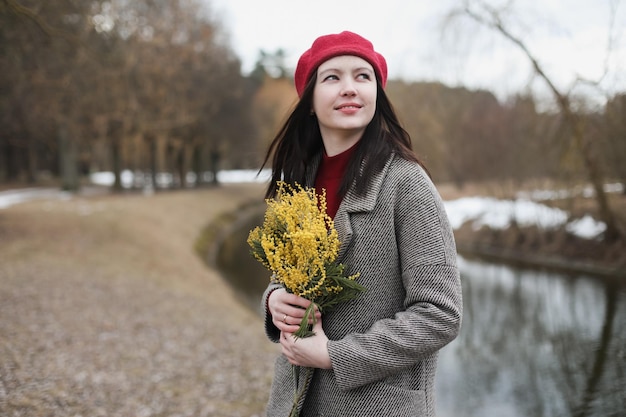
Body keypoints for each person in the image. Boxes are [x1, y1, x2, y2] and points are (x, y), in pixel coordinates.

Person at [259, 31, 462, 417]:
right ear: (310, 103)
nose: (350, 88)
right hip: (293, 403)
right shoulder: (298, 182)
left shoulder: (407, 183)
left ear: (376, 95)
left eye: (362, 76)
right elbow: (287, 275)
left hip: (377, 406)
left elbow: (440, 314)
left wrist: (335, 355)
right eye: (332, 77)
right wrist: (274, 299)